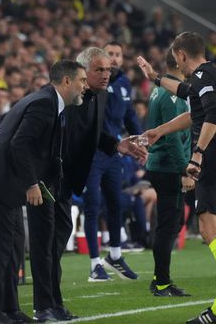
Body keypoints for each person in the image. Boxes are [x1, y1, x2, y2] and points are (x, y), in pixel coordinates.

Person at [137, 31, 216, 324]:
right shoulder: (209, 76)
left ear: (180, 55)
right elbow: (192, 107)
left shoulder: (203, 77)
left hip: (214, 158)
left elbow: (212, 115)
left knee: (208, 228)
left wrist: (198, 153)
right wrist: (160, 126)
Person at [24, 47, 147, 323]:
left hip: (66, 182)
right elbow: (36, 142)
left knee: (55, 244)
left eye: (108, 69)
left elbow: (94, 133)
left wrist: (117, 144)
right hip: (45, 179)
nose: (107, 73)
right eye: (99, 70)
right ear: (80, 73)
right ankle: (44, 307)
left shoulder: (98, 96)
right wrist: (32, 180)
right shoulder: (57, 99)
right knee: (46, 245)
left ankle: (54, 304)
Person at [0, 60, 87, 324]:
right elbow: (20, 144)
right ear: (66, 81)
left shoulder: (48, 102)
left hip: (5, 182)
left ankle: (8, 310)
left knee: (13, 247)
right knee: (2, 248)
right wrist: (32, 184)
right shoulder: (44, 104)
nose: (84, 87)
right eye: (82, 81)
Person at [83, 42, 141, 282]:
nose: (114, 60)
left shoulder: (124, 83)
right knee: (93, 205)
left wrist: (142, 138)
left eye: (118, 54)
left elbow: (129, 115)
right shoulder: (92, 86)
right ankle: (94, 264)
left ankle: (115, 255)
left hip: (114, 153)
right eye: (109, 56)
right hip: (91, 153)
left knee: (116, 203)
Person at [145, 49, 194, 297]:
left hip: (159, 163)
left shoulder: (157, 90)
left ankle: (160, 278)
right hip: (169, 166)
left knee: (171, 222)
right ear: (180, 60)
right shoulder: (172, 94)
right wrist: (184, 169)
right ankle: (161, 281)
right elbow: (173, 135)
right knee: (169, 224)